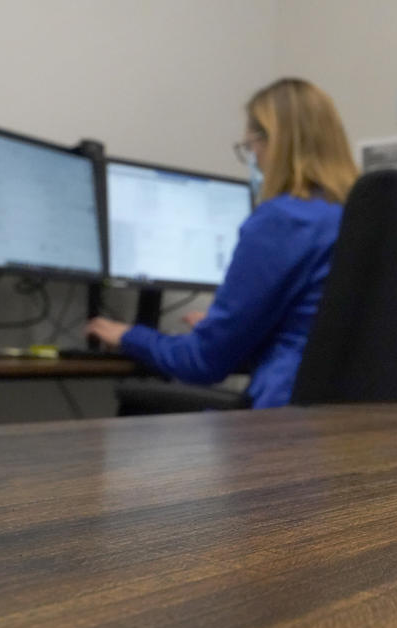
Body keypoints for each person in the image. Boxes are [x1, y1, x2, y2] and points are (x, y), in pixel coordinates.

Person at [87, 78, 358, 408]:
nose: (254, 160)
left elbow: (203, 362)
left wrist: (129, 336)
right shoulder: (356, 217)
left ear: (276, 143)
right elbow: (313, 335)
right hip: (352, 424)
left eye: (252, 146)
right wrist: (227, 329)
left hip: (285, 425)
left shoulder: (284, 219)